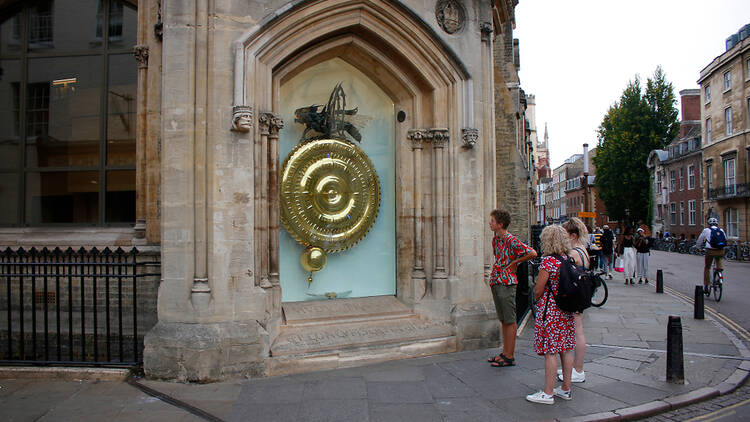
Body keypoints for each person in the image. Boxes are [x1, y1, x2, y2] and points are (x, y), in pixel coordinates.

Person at [526, 225, 575, 404]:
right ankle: (566, 389)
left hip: (552, 310)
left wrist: (538, 297)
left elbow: (538, 290)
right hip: (566, 310)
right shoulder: (567, 259)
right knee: (565, 349)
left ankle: (548, 393)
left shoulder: (548, 262)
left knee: (550, 351)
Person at [487, 209, 537, 368]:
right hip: (497, 280)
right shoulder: (496, 240)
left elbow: (532, 253)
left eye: (492, 221)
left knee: (510, 319)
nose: (490, 223)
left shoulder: (510, 239)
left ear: (500, 224)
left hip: (507, 282)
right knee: (503, 319)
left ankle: (510, 355)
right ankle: (504, 352)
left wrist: (515, 263)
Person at [560, 218, 588, 384]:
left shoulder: (574, 253)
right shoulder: (582, 249)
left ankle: (578, 370)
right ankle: (575, 368)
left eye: (565, 235)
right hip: (581, 294)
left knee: (577, 332)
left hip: (576, 295)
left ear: (573, 235)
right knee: (577, 330)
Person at [696, 217, 727, 295]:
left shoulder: (706, 230)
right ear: (717, 224)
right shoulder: (721, 230)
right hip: (721, 250)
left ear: (708, 224)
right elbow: (725, 240)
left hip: (710, 251)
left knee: (707, 267)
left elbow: (699, 240)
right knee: (719, 258)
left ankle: (706, 286)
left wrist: (698, 248)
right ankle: (719, 271)